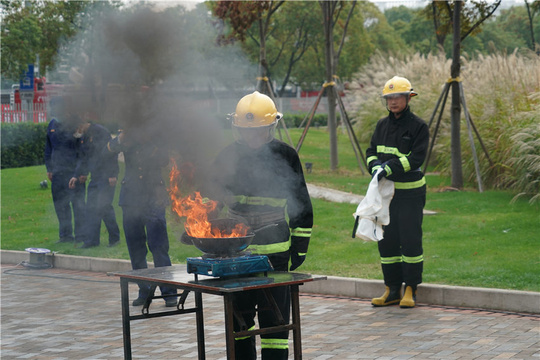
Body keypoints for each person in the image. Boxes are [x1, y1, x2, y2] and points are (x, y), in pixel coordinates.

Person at [206, 91, 313, 359]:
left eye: (258, 132)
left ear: (270, 128)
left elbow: (301, 203)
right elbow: (212, 198)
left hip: (276, 253)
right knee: (239, 322)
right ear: (237, 129)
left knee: (275, 323)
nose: (251, 138)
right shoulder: (227, 155)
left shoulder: (286, 155)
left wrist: (299, 247)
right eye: (245, 131)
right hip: (236, 252)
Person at [366, 76, 429, 309]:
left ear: (408, 98)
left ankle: (411, 288)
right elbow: (371, 151)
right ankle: (391, 289)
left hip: (410, 195)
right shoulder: (382, 125)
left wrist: (389, 167)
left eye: (397, 97)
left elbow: (416, 158)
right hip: (386, 195)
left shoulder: (418, 126)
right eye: (389, 98)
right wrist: (374, 166)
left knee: (410, 242)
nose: (393, 102)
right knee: (387, 242)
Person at [107, 129, 177, 307]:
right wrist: (122, 137)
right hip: (131, 197)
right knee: (135, 248)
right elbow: (107, 150)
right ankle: (144, 290)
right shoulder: (126, 135)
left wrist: (150, 140)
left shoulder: (157, 135)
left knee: (159, 246)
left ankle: (169, 292)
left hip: (154, 196)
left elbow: (163, 160)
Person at [44, 97, 87, 244]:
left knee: (78, 204)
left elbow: (83, 151)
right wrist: (49, 168)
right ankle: (65, 236)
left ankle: (81, 235)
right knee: (61, 205)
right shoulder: (52, 124)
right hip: (57, 172)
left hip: (74, 172)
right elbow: (49, 148)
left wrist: (81, 172)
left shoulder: (77, 125)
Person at [75, 113, 120, 249]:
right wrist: (82, 173)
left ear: (84, 122)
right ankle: (92, 240)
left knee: (104, 206)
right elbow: (85, 156)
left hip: (106, 175)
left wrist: (112, 174)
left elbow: (111, 152)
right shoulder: (84, 137)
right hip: (95, 176)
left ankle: (114, 238)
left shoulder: (101, 132)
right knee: (91, 208)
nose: (77, 130)